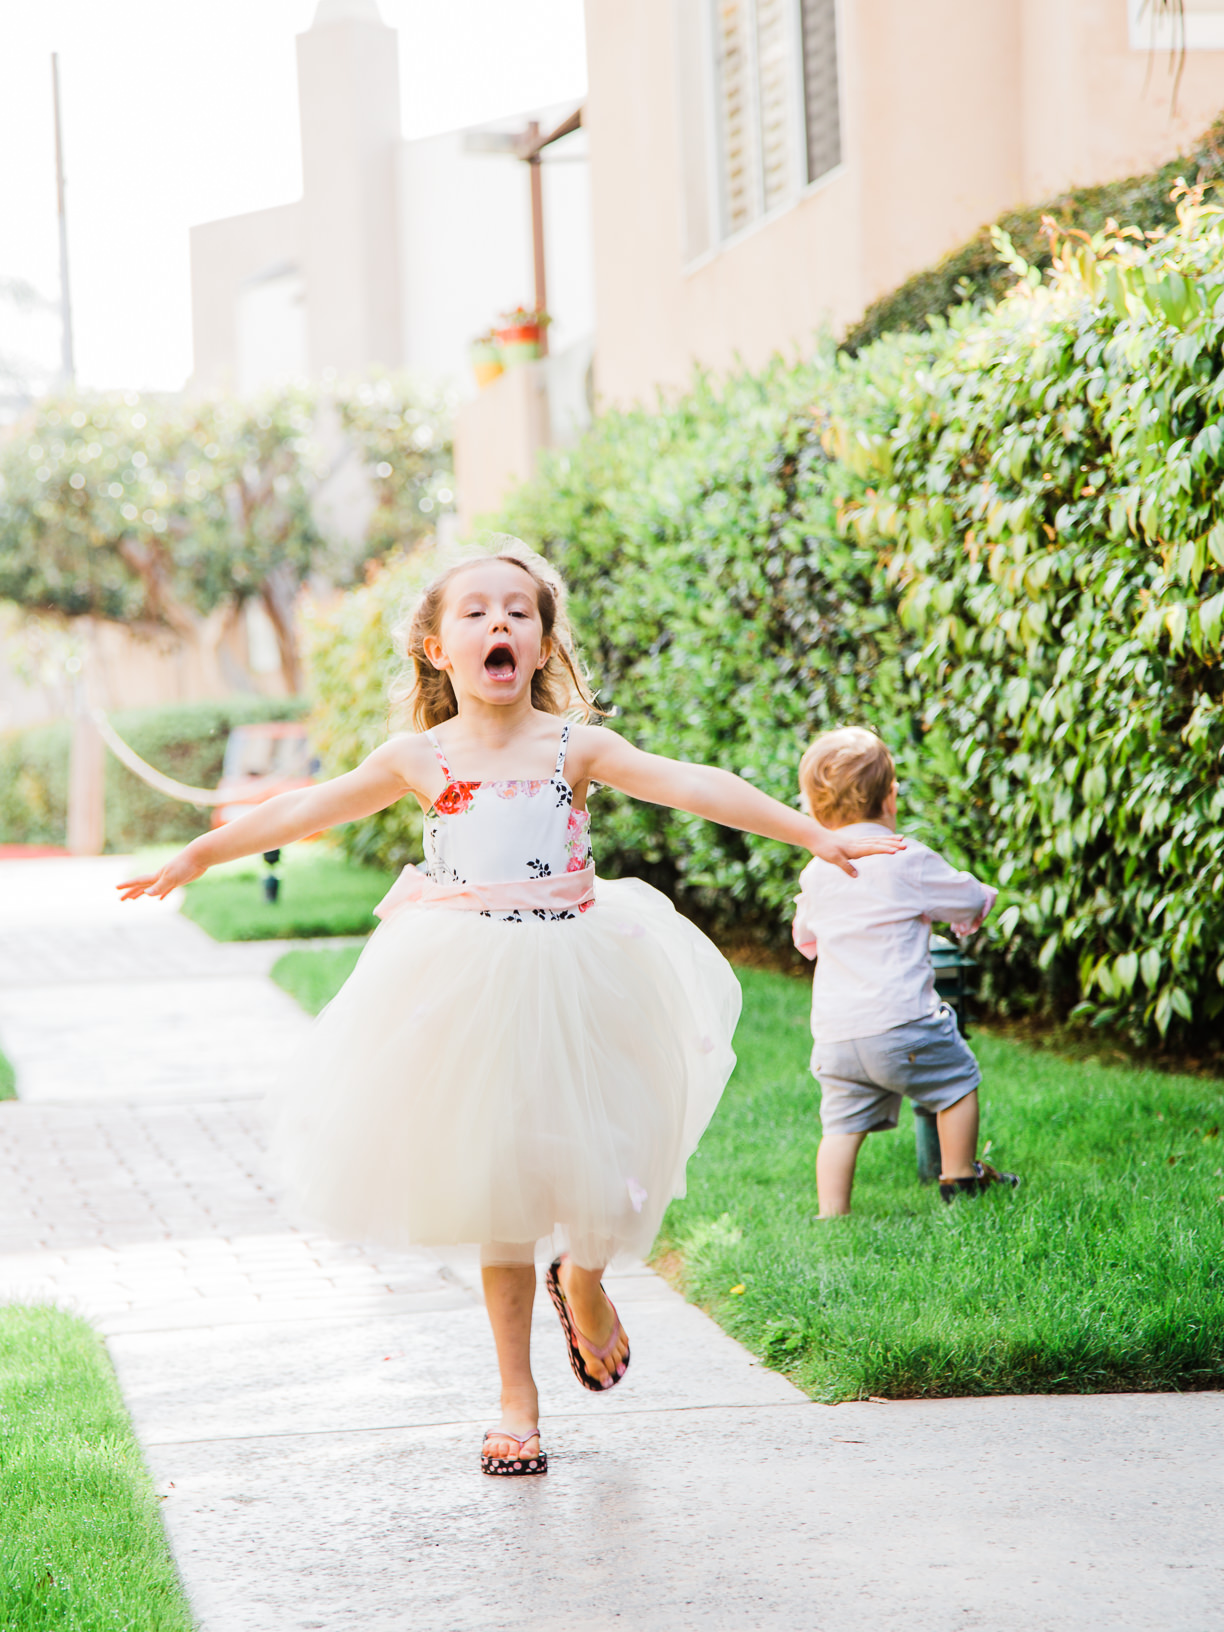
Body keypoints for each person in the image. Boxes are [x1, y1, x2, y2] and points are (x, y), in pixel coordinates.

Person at [119, 542, 903, 1477]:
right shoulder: (421, 756)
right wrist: (200, 857)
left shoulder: (576, 747)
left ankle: (585, 1278)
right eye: (477, 612)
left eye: (519, 613)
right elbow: (306, 810)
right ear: (436, 649)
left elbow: (693, 783)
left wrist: (810, 831)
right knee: (500, 1185)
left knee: (607, 1168)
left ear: (541, 645)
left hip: (580, 972)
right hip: (465, 984)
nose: (500, 623)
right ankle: (515, 1398)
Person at [790, 726, 1020, 1216]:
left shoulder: (815, 871)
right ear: (891, 797)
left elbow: (805, 937)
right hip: (904, 1024)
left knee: (839, 1125)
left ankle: (832, 1214)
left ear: (812, 810)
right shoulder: (905, 859)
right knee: (957, 1083)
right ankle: (959, 1178)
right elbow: (963, 898)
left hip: (836, 1037)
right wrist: (979, 901)